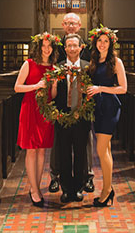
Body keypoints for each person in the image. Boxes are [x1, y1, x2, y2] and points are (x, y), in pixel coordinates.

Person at [49, 12, 95, 194]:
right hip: (62, 106)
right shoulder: (57, 48)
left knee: (84, 145)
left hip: (82, 108)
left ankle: (86, 178)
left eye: (74, 23)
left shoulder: (88, 51)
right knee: (60, 145)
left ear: (80, 25)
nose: (70, 26)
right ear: (62, 25)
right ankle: (57, 177)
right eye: (67, 23)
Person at [14, 32, 61, 207]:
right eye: (43, 45)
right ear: (39, 47)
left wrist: (54, 85)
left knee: (42, 150)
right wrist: (36, 86)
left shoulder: (54, 68)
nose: (46, 49)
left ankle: (37, 187)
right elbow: (17, 87)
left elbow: (53, 95)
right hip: (30, 109)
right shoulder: (29, 64)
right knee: (31, 150)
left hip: (45, 111)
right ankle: (34, 190)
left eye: (49, 46)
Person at [86, 26, 127, 207]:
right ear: (95, 43)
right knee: (106, 150)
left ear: (110, 44)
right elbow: (92, 85)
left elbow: (123, 89)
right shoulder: (94, 62)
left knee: (101, 150)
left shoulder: (116, 62)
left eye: (106, 41)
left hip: (110, 107)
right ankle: (107, 189)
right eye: (100, 41)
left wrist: (100, 89)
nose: (102, 44)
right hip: (98, 107)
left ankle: (107, 190)